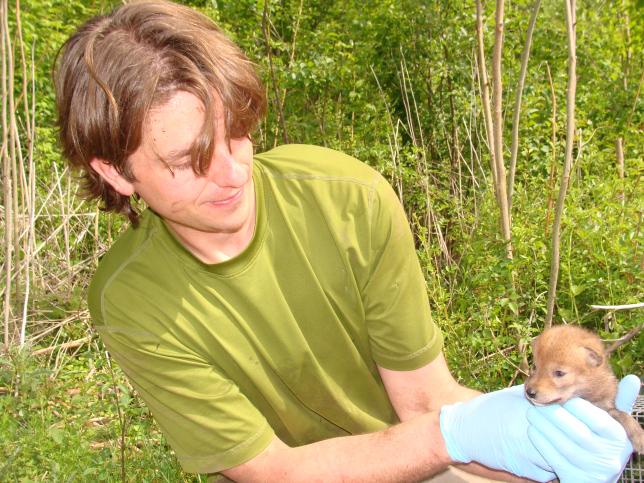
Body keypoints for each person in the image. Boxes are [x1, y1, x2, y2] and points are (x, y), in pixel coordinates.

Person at [54, 1, 638, 481]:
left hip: (417, 452)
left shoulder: (346, 198)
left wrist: (549, 451)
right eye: (189, 160)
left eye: (236, 135)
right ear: (115, 172)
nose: (233, 173)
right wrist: (454, 435)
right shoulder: (132, 299)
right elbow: (269, 471)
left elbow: (424, 402)